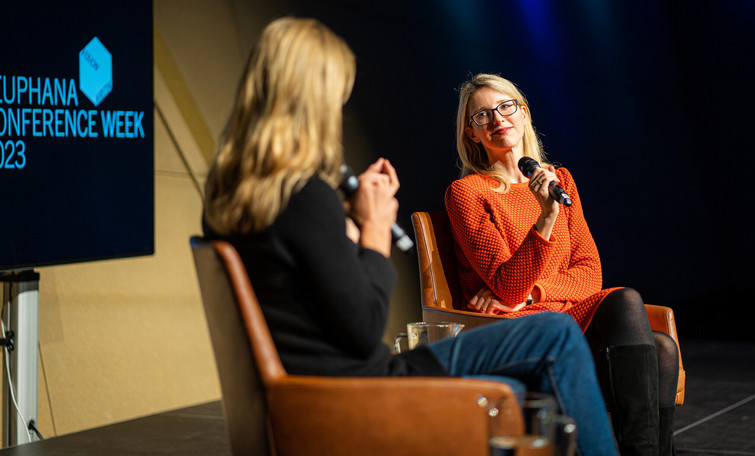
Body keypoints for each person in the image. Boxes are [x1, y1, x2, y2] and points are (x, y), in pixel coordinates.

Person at [203, 18, 616, 456]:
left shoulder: (231, 195)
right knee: (553, 331)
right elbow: (364, 329)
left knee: (513, 386)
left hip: (312, 373)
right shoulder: (306, 197)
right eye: (337, 98)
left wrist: (340, 228)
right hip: (358, 379)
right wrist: (375, 230)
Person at [444, 73, 680, 456]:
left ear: (523, 115)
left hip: (566, 313)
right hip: (519, 327)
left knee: (660, 345)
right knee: (632, 313)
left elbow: (590, 272)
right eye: (482, 115)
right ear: (472, 133)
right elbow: (506, 289)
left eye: (506, 107)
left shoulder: (559, 179)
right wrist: (546, 219)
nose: (497, 119)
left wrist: (535, 292)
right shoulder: (467, 193)